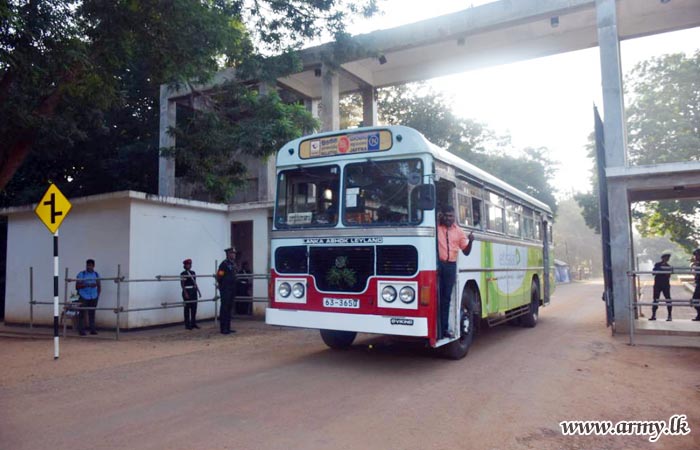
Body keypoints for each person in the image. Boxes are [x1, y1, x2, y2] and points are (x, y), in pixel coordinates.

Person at [437, 205, 474, 338]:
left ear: (454, 217)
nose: (448, 218)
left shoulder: (458, 231)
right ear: (442, 216)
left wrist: (471, 241)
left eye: (451, 216)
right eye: (446, 216)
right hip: (438, 265)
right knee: (436, 297)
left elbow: (466, 251)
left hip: (450, 266)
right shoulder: (436, 228)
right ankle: (435, 329)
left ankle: (443, 329)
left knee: (446, 298)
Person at [76, 259, 101, 336]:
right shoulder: (81, 274)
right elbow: (77, 286)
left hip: (93, 296)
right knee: (82, 313)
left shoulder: (96, 274)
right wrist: (87, 285)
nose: (89, 267)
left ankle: (92, 329)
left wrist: (97, 295)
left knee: (92, 313)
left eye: (90, 265)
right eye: (87, 265)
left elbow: (99, 285)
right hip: (83, 296)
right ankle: (81, 330)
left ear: (93, 266)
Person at [216, 247, 238, 334]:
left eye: (234, 253)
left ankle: (228, 327)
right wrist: (222, 286)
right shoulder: (223, 264)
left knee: (229, 308)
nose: (234, 255)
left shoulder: (233, 264)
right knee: (224, 308)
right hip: (225, 289)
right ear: (228, 254)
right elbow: (219, 276)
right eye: (232, 253)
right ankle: (223, 328)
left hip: (232, 288)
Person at [649, 253, 672, 321]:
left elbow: (668, 275)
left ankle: (669, 315)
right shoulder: (657, 264)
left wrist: (662, 271)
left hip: (665, 284)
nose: (667, 259)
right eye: (666, 258)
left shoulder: (669, 266)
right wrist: (660, 270)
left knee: (668, 300)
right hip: (657, 284)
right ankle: (653, 315)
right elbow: (653, 273)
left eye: (668, 258)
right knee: (655, 300)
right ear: (662, 258)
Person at [180, 258, 201, 330]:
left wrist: (198, 291)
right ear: (185, 265)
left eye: (190, 264)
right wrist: (185, 293)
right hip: (187, 291)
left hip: (193, 291)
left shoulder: (193, 273)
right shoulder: (183, 274)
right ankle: (187, 324)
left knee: (194, 308)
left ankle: (193, 323)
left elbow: (195, 283)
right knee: (187, 308)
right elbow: (182, 284)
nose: (189, 265)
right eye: (188, 264)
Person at [692, 249, 700, 322]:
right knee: (695, 300)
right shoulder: (697, 263)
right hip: (698, 283)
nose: (696, 257)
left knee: (695, 299)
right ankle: (699, 315)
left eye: (697, 255)